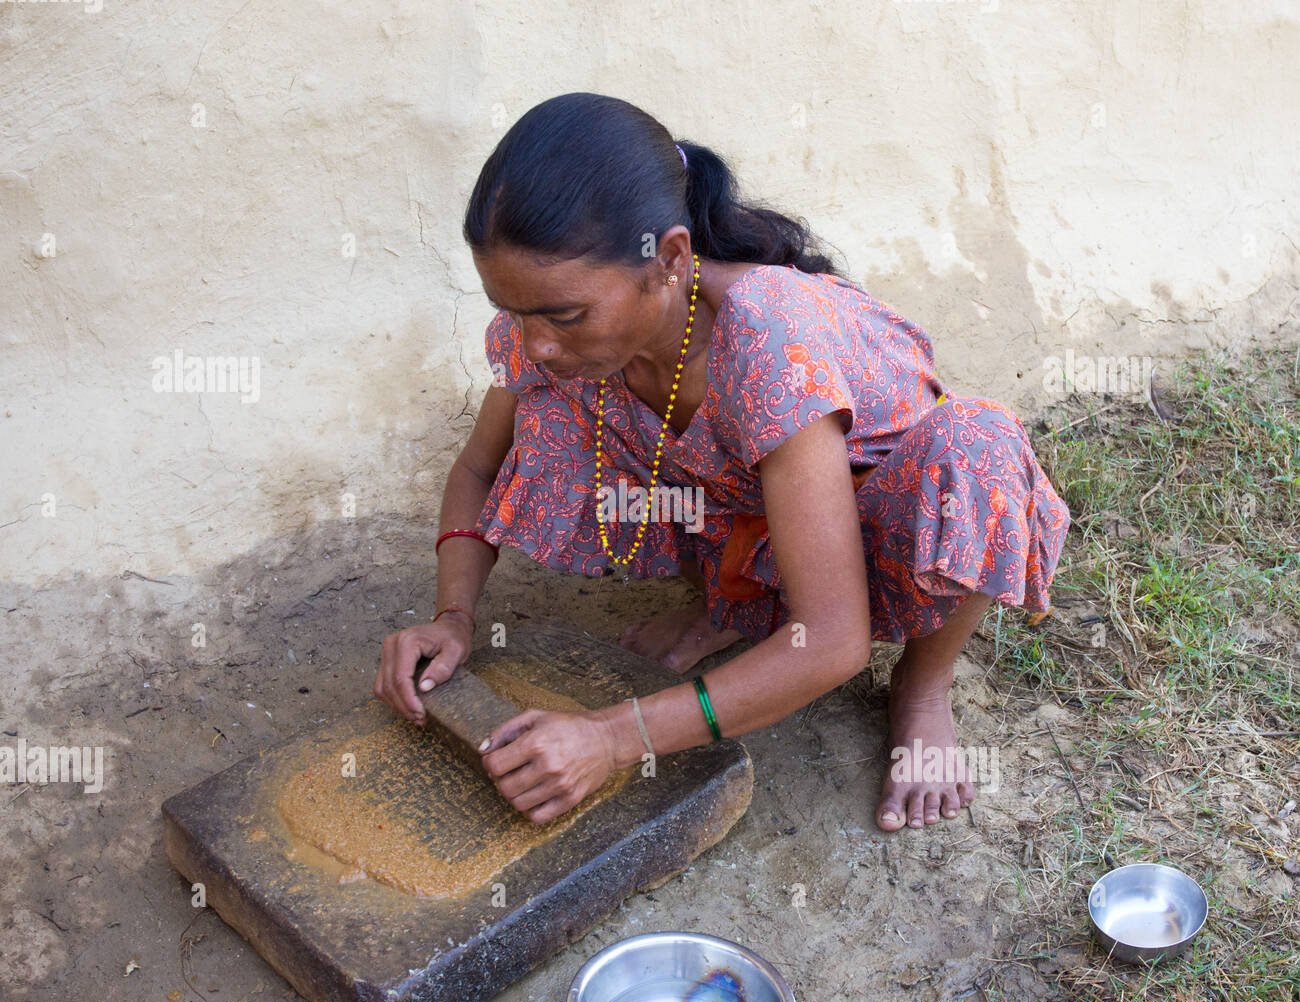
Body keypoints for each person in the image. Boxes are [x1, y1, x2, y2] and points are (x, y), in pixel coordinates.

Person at [373, 92, 1070, 833]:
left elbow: (833, 639)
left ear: (669, 260)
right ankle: (731, 605)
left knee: (977, 446)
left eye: (563, 315)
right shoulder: (555, 332)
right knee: (561, 400)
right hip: (758, 514)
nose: (534, 342)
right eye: (513, 312)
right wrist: (452, 617)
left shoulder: (768, 338)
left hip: (868, 523)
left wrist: (613, 737)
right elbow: (478, 470)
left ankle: (922, 685)